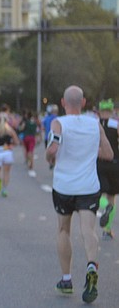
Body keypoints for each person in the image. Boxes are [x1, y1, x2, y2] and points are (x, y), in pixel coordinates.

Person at [46, 85, 113, 303]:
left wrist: (50, 157)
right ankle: (92, 265)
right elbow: (108, 154)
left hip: (64, 185)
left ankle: (66, 280)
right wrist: (89, 149)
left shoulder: (59, 123)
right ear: (83, 103)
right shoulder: (94, 124)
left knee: (64, 229)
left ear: (64, 103)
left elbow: (52, 150)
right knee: (88, 229)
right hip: (88, 186)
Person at [96, 99, 119, 240]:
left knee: (96, 193)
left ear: (99, 111)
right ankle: (107, 229)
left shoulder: (94, 124)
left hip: (98, 163)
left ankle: (104, 206)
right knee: (112, 197)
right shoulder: (116, 124)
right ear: (111, 111)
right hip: (115, 163)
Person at [0, 111, 20, 197]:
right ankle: (4, 189)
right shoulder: (10, 130)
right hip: (7, 152)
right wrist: (11, 145)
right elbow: (17, 142)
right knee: (6, 172)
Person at [19, 109, 41, 177]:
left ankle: (28, 161)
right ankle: (31, 163)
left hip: (26, 137)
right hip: (32, 137)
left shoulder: (26, 122)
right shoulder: (35, 123)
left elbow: (21, 128)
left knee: (27, 150)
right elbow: (37, 130)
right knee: (31, 151)